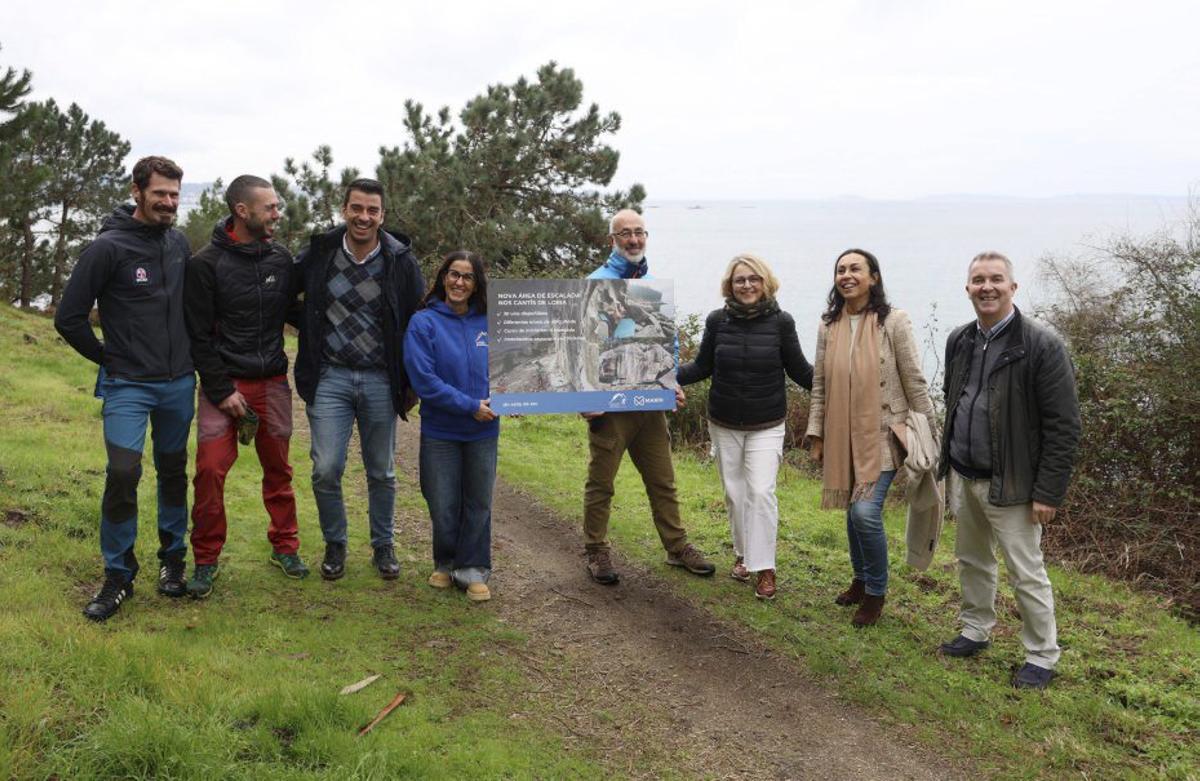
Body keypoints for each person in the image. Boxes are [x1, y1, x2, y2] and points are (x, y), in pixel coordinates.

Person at [54, 156, 194, 621]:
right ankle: (118, 574)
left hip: (178, 384)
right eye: (160, 194)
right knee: (123, 472)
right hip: (128, 386)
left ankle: (173, 561)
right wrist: (107, 357)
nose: (169, 202)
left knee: (173, 470)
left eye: (174, 194)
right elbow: (68, 317)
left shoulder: (178, 244)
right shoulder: (107, 248)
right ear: (137, 191)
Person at [937, 251, 1080, 690]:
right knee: (972, 560)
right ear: (968, 289)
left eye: (996, 279)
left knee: (1026, 571)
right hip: (964, 473)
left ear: (1013, 288)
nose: (987, 287)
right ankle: (975, 629)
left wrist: (1048, 492)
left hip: (1015, 484)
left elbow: (1064, 426)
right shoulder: (960, 339)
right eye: (978, 280)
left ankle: (1042, 654)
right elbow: (955, 399)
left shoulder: (1041, 345)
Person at [294, 178, 424, 581]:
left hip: (380, 379)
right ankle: (336, 543)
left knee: (381, 470)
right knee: (326, 469)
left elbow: (416, 319)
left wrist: (412, 381)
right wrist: (309, 327)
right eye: (357, 208)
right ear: (344, 209)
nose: (363, 217)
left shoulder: (400, 260)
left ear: (382, 215)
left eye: (372, 210)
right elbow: (283, 293)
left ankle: (383, 545)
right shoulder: (320, 253)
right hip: (329, 375)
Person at [183, 175, 306, 596]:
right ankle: (205, 560)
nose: (277, 213)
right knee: (210, 471)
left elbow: (295, 313)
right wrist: (221, 390)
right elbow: (197, 336)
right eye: (270, 207)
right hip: (224, 387)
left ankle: (285, 546)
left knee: (280, 471)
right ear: (242, 210)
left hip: (273, 383)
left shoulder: (281, 260)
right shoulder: (205, 265)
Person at [582, 208, 715, 584]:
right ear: (613, 240)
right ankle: (595, 551)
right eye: (625, 233)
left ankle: (676, 546)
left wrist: (670, 384)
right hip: (608, 408)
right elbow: (582, 346)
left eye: (640, 232)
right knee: (601, 482)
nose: (634, 239)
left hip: (649, 404)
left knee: (663, 480)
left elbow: (667, 344)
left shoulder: (654, 285)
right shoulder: (594, 283)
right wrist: (583, 399)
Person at [805, 248, 935, 627]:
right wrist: (817, 434)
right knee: (852, 511)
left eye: (855, 269)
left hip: (883, 434)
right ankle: (860, 580)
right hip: (842, 435)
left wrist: (929, 432)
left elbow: (914, 380)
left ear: (873, 277)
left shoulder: (894, 321)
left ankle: (876, 592)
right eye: (840, 269)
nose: (847, 275)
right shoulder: (827, 325)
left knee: (864, 511)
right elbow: (819, 385)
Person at [677, 253, 812, 600]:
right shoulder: (717, 321)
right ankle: (743, 555)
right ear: (730, 285)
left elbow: (800, 371)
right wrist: (660, 376)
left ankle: (765, 567)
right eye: (740, 280)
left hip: (767, 423)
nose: (747, 285)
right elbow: (701, 367)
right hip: (723, 422)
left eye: (753, 279)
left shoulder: (782, 322)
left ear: (765, 282)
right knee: (735, 495)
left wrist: (842, 382)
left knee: (761, 492)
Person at [403, 251, 498, 602]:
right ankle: (445, 563)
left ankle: (472, 568)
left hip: (484, 430)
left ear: (477, 284)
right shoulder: (423, 322)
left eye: (468, 277)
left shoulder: (490, 322)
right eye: (453, 275)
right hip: (442, 430)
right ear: (443, 277)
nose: (459, 283)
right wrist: (469, 406)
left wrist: (514, 400)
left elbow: (513, 368)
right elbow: (424, 380)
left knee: (478, 502)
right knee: (442, 502)